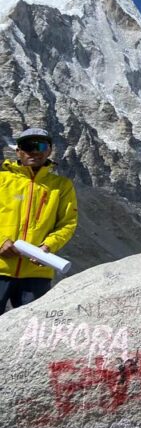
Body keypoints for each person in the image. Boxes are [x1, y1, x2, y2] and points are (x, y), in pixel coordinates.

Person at [0, 128, 78, 311]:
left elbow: (68, 223)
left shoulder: (62, 186)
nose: (35, 151)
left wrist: (48, 246)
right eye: (28, 146)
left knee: (33, 325)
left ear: (49, 151)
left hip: (37, 273)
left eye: (41, 146)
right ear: (18, 151)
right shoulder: (2, 180)